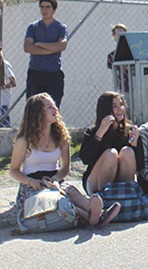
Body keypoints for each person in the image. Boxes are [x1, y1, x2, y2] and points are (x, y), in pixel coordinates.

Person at [9, 93, 120, 228]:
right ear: (37, 113)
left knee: (71, 192)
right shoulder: (24, 140)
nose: (56, 109)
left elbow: (65, 167)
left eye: (54, 106)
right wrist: (30, 181)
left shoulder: (61, 136)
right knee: (61, 198)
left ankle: (99, 213)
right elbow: (13, 170)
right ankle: (93, 217)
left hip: (54, 179)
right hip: (31, 185)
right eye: (50, 107)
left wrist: (55, 179)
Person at [80, 92, 144, 195]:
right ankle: (104, 198)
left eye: (121, 105)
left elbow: (140, 167)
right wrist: (100, 133)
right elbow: (86, 159)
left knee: (127, 151)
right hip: (95, 183)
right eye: (114, 106)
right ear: (105, 109)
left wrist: (135, 145)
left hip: (120, 182)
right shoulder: (93, 131)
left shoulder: (130, 131)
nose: (120, 109)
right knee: (111, 154)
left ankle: (127, 195)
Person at [24, 0, 68, 108]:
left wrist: (41, 45)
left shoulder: (60, 27)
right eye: (42, 7)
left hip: (54, 73)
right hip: (35, 72)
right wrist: (52, 49)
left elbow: (62, 45)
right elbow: (28, 47)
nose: (44, 10)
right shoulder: (33, 27)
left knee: (53, 107)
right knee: (33, 107)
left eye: (48, 7)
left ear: (54, 9)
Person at [107, 24, 129, 93]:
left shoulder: (133, 52)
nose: (121, 35)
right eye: (118, 34)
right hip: (123, 87)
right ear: (114, 36)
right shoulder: (112, 55)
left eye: (123, 33)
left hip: (136, 85)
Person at [1, 45, 17, 127]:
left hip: (2, 104)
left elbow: (13, 82)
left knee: (4, 128)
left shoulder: (5, 64)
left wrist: (3, 86)